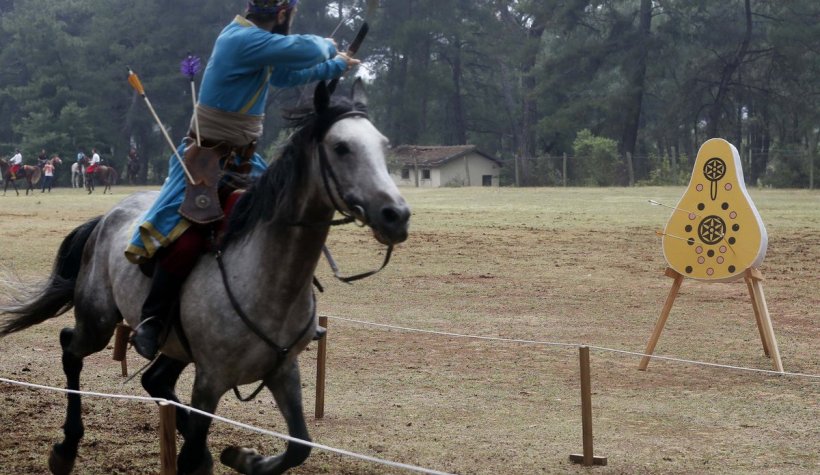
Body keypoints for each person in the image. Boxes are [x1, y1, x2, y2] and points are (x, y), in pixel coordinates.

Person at [125, 0, 360, 359]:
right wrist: (328, 47)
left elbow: (286, 75)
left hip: (246, 160)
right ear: (282, 14)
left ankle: (291, 313)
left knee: (284, 221)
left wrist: (336, 65)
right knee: (186, 238)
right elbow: (305, 48)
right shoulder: (242, 39)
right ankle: (152, 319)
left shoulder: (256, 46)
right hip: (204, 158)